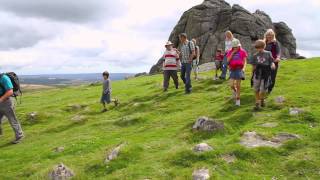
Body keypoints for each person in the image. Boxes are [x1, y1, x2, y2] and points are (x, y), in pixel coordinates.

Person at [250, 40, 276, 110]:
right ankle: (257, 102)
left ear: (264, 47)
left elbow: (272, 61)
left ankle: (262, 100)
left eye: (260, 47)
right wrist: (252, 75)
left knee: (263, 89)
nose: (259, 49)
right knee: (256, 88)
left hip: (266, 74)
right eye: (257, 48)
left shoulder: (268, 53)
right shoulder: (255, 55)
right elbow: (253, 66)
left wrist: (273, 65)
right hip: (257, 74)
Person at [0, 73, 24, 144]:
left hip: (7, 101)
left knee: (12, 119)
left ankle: (20, 136)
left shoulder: (4, 78)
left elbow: (10, 91)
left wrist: (0, 100)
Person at [227, 38, 248, 106]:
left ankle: (238, 100)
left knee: (238, 85)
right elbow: (227, 61)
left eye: (237, 46)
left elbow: (245, 61)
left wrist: (244, 69)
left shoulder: (242, 51)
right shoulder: (230, 51)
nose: (236, 48)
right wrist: (232, 53)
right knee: (231, 84)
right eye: (234, 47)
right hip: (232, 69)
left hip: (239, 69)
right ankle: (235, 92)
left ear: (239, 46)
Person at [264, 29, 281, 93]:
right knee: (265, 76)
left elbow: (278, 51)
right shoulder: (264, 42)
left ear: (273, 35)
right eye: (268, 35)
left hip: (274, 61)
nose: (269, 36)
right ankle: (264, 88)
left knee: (272, 76)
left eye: (271, 35)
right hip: (265, 61)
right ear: (266, 35)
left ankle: (270, 89)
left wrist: (278, 57)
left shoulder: (275, 43)